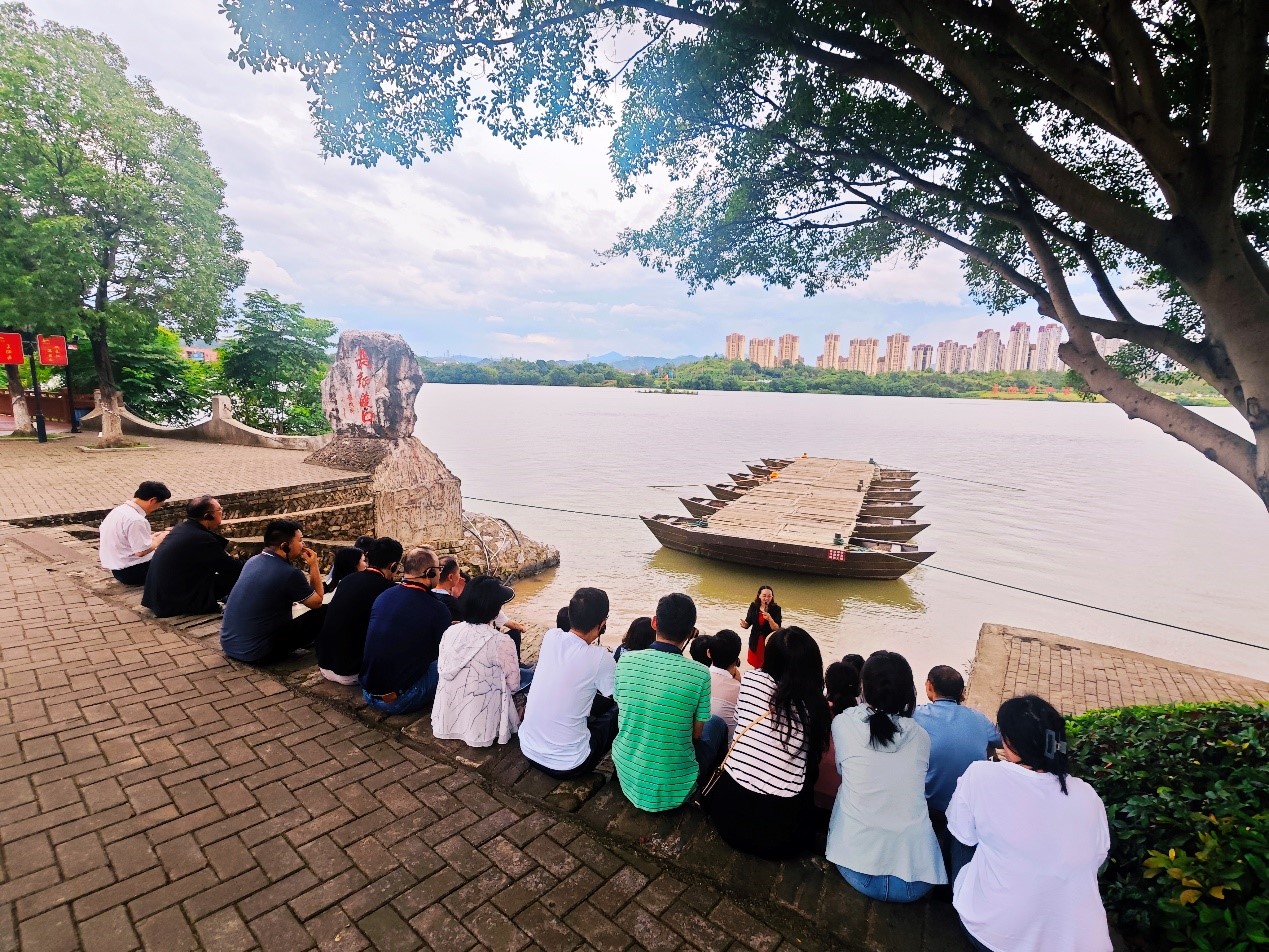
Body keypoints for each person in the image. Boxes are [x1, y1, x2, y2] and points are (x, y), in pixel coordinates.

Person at [947, 695, 1112, 952]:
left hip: (995, 936)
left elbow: (963, 835)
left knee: (961, 836)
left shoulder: (981, 775)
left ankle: (968, 899)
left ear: (1009, 741)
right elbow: (1098, 857)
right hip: (1082, 943)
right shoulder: (1087, 794)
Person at [826, 650, 947, 902]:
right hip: (916, 881)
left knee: (847, 787)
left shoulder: (843, 724)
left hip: (857, 868)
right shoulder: (921, 738)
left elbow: (842, 770)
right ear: (908, 692)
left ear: (863, 688)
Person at [706, 627, 831, 859]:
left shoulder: (750, 680)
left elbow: (739, 722)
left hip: (727, 814)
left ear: (769, 657)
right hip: (782, 837)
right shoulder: (816, 706)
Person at [612, 593, 728, 812]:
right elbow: (696, 735)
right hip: (675, 790)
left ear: (654, 622)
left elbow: (621, 706)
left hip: (627, 776)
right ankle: (709, 789)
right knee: (717, 724)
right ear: (692, 633)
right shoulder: (700, 674)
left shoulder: (625, 660)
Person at [520, 587, 622, 777]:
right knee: (617, 712)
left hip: (528, 748)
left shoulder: (551, 637)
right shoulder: (601, 658)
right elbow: (620, 697)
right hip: (569, 764)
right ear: (602, 623)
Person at [431, 576, 527, 747]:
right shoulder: (501, 641)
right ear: (495, 610)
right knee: (528, 683)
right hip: (482, 724)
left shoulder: (450, 632)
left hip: (447, 718)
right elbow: (513, 685)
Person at [359, 546, 453, 715]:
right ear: (430, 572)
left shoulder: (384, 596)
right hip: (400, 700)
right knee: (452, 660)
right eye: (438, 569)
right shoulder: (437, 609)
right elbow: (446, 651)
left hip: (367, 692)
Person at [219, 519, 326, 664]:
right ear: (285, 546)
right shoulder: (290, 573)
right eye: (300, 540)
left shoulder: (252, 561)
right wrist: (314, 565)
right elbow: (317, 602)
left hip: (230, 645)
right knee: (325, 611)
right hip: (258, 653)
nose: (303, 545)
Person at [913, 666, 1000, 816]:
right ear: (961, 691)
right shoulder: (979, 718)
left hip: (929, 805)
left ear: (929, 686)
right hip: (966, 805)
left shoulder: (916, 716)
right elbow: (1002, 740)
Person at [315, 537, 403, 685]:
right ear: (394, 566)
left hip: (324, 664)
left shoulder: (347, 580)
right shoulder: (390, 591)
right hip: (351, 672)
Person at [141, 496, 243, 617]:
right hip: (174, 601)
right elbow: (230, 567)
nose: (222, 512)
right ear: (207, 516)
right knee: (237, 574)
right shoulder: (201, 538)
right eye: (219, 510)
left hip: (158, 598)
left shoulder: (182, 528)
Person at [98, 481, 172, 585]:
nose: (158, 508)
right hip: (133, 571)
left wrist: (150, 538)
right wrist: (160, 539)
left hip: (118, 568)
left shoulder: (118, 511)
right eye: (159, 504)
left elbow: (125, 539)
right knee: (179, 557)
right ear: (152, 500)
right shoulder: (136, 520)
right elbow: (141, 552)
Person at [814, 660, 861, 810]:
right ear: (858, 688)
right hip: (846, 798)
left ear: (827, 685)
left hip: (814, 790)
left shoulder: (816, 710)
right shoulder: (863, 719)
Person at [701, 630, 743, 735]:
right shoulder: (741, 691)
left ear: (708, 653)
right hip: (727, 744)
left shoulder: (696, 680)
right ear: (736, 660)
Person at [740, 585, 782, 668]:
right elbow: (748, 622)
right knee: (756, 665)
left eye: (769, 596)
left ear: (772, 597)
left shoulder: (776, 609)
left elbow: (777, 629)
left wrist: (770, 619)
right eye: (764, 596)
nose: (766, 598)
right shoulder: (754, 606)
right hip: (755, 641)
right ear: (759, 595)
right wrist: (745, 625)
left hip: (768, 642)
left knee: (767, 666)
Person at [433, 557, 466, 622]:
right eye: (458, 573)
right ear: (450, 577)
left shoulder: (424, 595)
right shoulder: (453, 604)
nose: (460, 577)